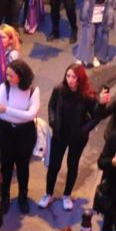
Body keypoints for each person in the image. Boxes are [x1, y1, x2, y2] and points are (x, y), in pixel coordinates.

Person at [40, 64, 98, 210]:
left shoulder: (87, 96)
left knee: (73, 165)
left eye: (74, 77)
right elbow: (51, 106)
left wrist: (84, 130)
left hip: (77, 138)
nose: (70, 80)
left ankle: (67, 195)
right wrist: (53, 121)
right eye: (68, 76)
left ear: (80, 79)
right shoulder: (59, 90)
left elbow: (95, 116)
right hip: (60, 134)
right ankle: (48, 194)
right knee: (54, 165)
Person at [0, 59, 40, 214]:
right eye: (7, 75)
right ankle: (4, 196)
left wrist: (7, 109)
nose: (8, 78)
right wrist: (19, 114)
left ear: (21, 76)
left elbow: (31, 115)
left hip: (25, 134)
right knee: (6, 166)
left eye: (11, 76)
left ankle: (22, 196)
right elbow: (2, 115)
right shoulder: (3, 87)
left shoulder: (33, 91)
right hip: (5, 131)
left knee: (22, 166)